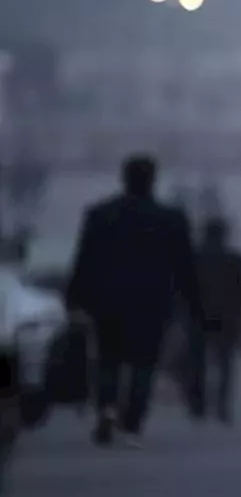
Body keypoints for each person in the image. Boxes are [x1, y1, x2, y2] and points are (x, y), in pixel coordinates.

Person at [65, 154, 201, 447]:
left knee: (108, 360)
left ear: (123, 177)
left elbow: (84, 260)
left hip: (107, 301)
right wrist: (193, 304)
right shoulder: (171, 219)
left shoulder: (99, 214)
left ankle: (107, 410)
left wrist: (74, 298)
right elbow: (186, 266)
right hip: (151, 303)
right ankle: (131, 422)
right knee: (143, 363)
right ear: (153, 179)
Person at [193, 217, 241, 425]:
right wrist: (238, 303)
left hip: (198, 316)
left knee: (197, 362)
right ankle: (222, 405)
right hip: (228, 316)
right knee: (225, 363)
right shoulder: (235, 259)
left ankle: (199, 405)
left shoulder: (194, 258)